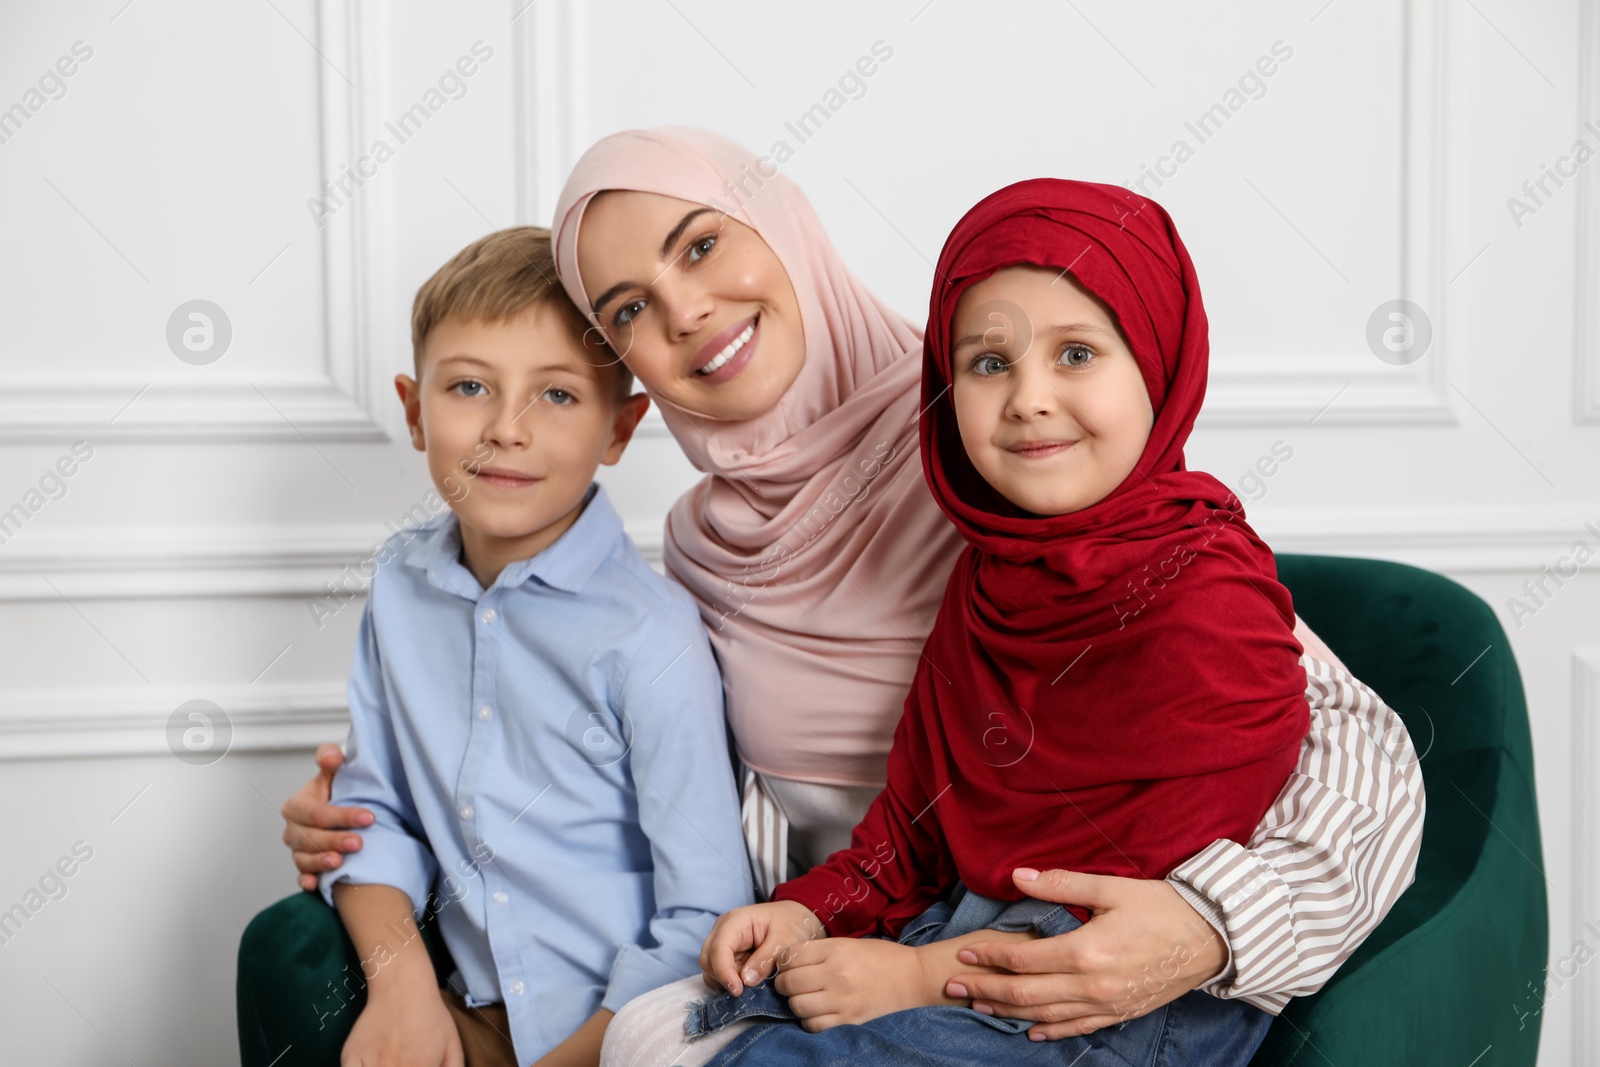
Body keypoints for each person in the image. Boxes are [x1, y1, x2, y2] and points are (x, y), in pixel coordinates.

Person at [270, 129, 1423, 1054]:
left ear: (786, 230)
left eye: (702, 244)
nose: (682, 310)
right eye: (626, 307)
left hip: (1075, 961)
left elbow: (1349, 748)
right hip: (851, 949)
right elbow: (652, 799)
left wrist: (1202, 928)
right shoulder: (697, 564)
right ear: (634, 383)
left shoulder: (1003, 449)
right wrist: (384, 819)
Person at [685, 177, 1350, 1066]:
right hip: (972, 939)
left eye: (1077, 354)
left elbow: (1144, 918)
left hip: (1119, 998)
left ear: (1156, 363)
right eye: (990, 364)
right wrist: (810, 907)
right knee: (745, 1031)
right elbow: (918, 824)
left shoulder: (1207, 591)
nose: (1029, 398)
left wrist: (918, 976)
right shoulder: (991, 580)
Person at [304, 226, 750, 1067]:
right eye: (470, 385)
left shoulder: (649, 635)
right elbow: (376, 814)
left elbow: (701, 914)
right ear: (413, 409)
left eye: (557, 395)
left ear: (620, 429)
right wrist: (403, 992)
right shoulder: (401, 586)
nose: (506, 429)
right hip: (464, 1007)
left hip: (620, 1038)